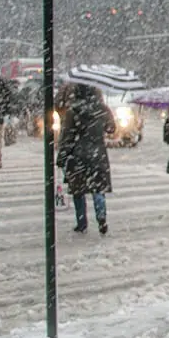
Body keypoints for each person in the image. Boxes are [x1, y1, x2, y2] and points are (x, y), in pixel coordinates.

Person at [56, 84, 115, 235]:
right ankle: (101, 218)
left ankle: (81, 223)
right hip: (97, 154)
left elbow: (67, 136)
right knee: (98, 189)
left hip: (78, 155)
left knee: (78, 191)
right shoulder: (102, 109)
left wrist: (62, 156)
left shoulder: (73, 111)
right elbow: (111, 128)